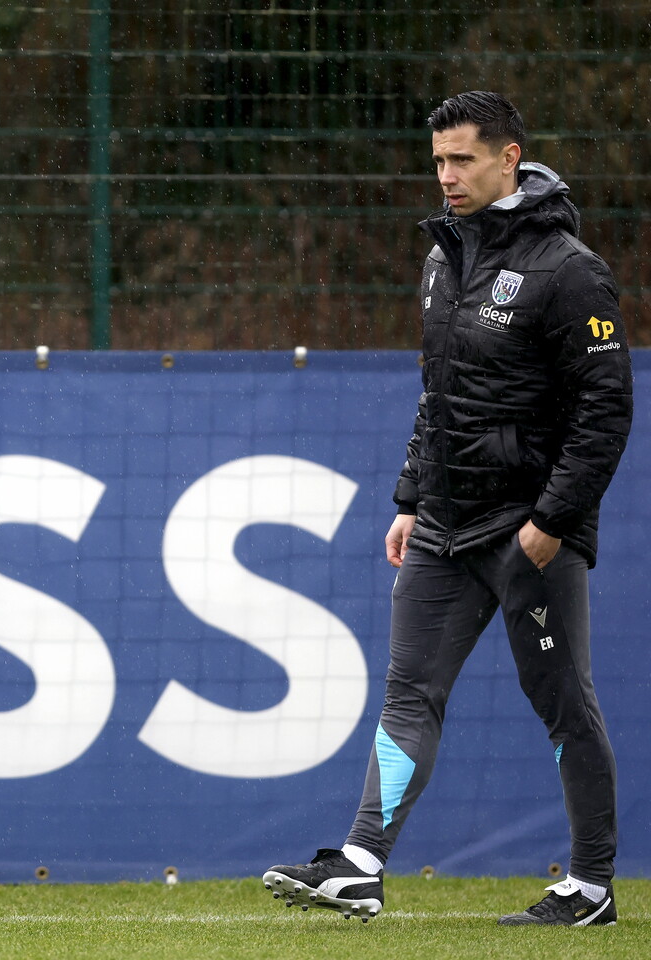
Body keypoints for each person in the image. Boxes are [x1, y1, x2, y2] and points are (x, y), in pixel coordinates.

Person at [262, 91, 633, 926]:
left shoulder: (571, 270)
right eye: (437, 161)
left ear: (510, 158)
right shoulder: (443, 257)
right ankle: (360, 864)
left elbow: (604, 413)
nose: (446, 177)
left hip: (529, 532)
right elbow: (441, 397)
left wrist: (552, 523)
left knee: (564, 704)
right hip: (441, 524)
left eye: (462, 159)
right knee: (408, 693)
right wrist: (410, 500)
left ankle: (592, 888)